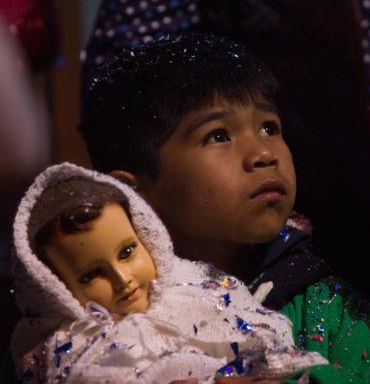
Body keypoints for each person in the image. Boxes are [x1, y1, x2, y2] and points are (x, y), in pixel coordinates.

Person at [76, 33, 370, 383]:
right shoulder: (86, 311)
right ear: (130, 191)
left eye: (269, 127)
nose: (264, 154)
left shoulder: (322, 305)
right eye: (218, 135)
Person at [10, 162, 327, 383]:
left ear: (147, 236)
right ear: (52, 289)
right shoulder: (66, 356)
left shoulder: (202, 290)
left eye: (128, 251)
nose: (123, 280)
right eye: (91, 275)